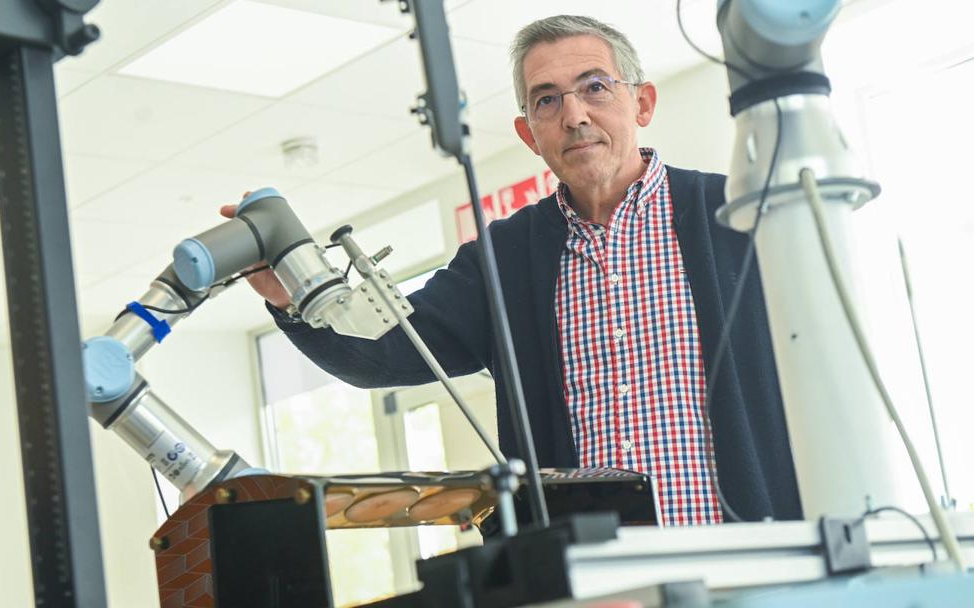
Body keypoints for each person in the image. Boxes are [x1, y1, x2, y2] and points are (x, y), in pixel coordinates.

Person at [223, 15, 801, 526]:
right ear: (529, 133)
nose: (574, 115)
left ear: (641, 103)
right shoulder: (503, 258)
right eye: (546, 100)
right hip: (591, 586)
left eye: (595, 87)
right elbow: (382, 353)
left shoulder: (738, 216)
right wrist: (289, 296)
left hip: (751, 565)